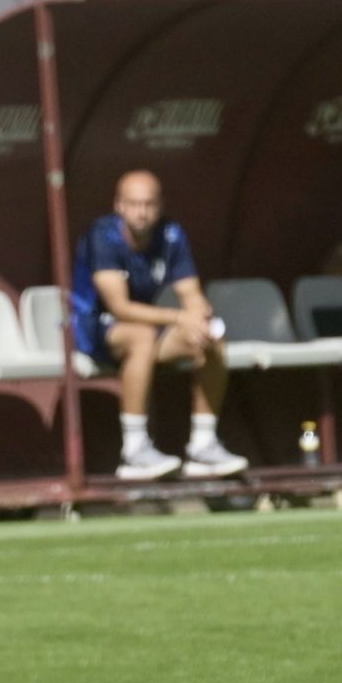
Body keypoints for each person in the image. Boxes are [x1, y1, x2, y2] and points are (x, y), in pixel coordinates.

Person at [71, 170, 248, 480]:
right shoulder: (102, 236)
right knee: (141, 337)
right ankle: (135, 449)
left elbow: (190, 291)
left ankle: (203, 446)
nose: (141, 212)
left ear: (160, 205)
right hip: (94, 329)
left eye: (149, 204)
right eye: (134, 204)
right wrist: (180, 317)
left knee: (212, 338)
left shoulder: (171, 233)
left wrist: (199, 315)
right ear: (119, 206)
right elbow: (119, 307)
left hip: (149, 329)